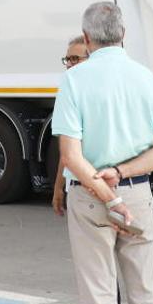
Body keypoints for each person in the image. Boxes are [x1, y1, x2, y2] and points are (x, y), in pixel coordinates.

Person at [53, 2, 153, 304]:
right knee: (143, 290)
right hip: (137, 193)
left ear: (86, 36)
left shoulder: (73, 80)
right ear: (123, 33)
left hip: (90, 195)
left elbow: (70, 155)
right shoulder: (151, 80)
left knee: (98, 294)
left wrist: (109, 197)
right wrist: (121, 173)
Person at [51, 35, 88, 217]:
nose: (69, 64)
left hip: (89, 188)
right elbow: (67, 153)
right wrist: (58, 187)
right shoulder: (70, 91)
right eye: (68, 59)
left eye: (75, 59)